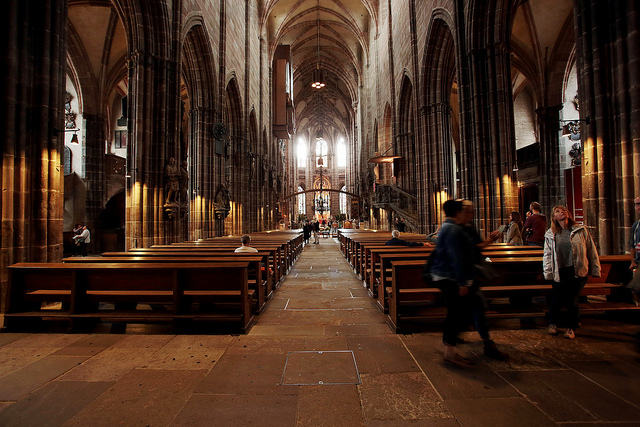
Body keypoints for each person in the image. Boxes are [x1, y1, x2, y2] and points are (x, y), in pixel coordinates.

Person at [459, 200, 508, 361]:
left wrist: (488, 241)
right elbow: (466, 252)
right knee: (474, 309)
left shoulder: (468, 227)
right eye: (468, 212)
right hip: (464, 277)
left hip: (470, 275)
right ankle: (485, 342)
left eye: (472, 211)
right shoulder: (457, 229)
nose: (471, 215)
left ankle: (456, 338)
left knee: (472, 309)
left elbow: (476, 247)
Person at [543, 205, 601, 339]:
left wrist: (595, 268)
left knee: (572, 299)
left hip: (576, 270)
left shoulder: (580, 230)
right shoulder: (551, 234)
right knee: (556, 298)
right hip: (560, 270)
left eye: (563, 210)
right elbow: (547, 254)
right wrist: (548, 272)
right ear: (554, 217)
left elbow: (591, 249)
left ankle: (571, 328)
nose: (561, 212)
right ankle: (552, 324)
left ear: (568, 213)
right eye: (557, 211)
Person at [628, 196, 640, 306]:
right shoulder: (636, 226)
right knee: (635, 290)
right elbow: (632, 245)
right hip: (639, 262)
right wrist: (633, 260)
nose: (638, 206)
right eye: (637, 204)